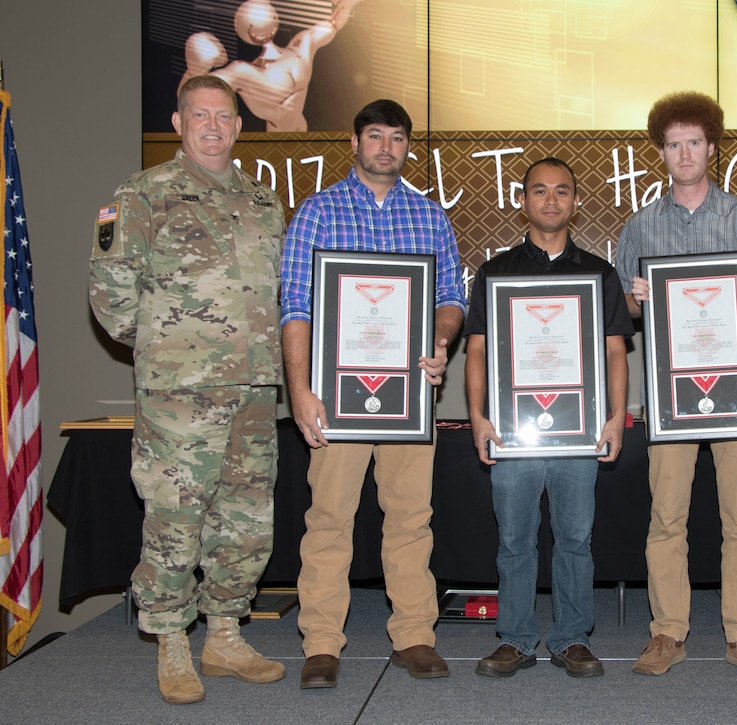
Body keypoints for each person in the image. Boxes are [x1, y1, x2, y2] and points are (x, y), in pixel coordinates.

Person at [88, 75, 286, 705]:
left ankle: (224, 634)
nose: (211, 126)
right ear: (177, 123)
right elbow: (112, 295)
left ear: (237, 124)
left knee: (248, 519)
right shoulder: (143, 194)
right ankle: (171, 640)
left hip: (255, 390)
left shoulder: (263, 202)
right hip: (181, 395)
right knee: (175, 518)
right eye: (198, 115)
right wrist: (166, 356)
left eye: (222, 116)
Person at [281, 98, 465, 688]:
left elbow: (450, 298)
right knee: (330, 518)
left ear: (409, 147)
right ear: (355, 143)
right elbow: (296, 305)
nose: (386, 147)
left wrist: (439, 341)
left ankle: (414, 635)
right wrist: (301, 389)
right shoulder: (317, 211)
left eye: (397, 138)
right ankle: (321, 644)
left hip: (410, 394)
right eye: (375, 136)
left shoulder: (430, 215)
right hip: (336, 396)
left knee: (411, 517)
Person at [616, 91, 737, 680]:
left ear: (712, 148)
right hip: (672, 400)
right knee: (666, 518)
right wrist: (632, 297)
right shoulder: (640, 227)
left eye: (694, 142)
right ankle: (668, 632)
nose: (684, 153)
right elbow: (623, 312)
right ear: (660, 152)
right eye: (673, 144)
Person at [464, 158, 633, 679]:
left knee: (575, 538)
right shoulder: (496, 273)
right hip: (515, 431)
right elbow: (477, 352)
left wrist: (615, 417)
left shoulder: (599, 274)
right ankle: (515, 639)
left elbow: (615, 354)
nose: (551, 200)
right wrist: (476, 417)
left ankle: (571, 638)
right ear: (524, 202)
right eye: (540, 191)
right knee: (514, 538)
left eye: (562, 191)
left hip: (577, 431)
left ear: (575, 202)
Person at [180, 0, 363, 132]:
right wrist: (195, 69)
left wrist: (346, 5)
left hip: (303, 137)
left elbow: (333, 24)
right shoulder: (245, 73)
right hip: (278, 146)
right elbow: (192, 93)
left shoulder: (300, 46)